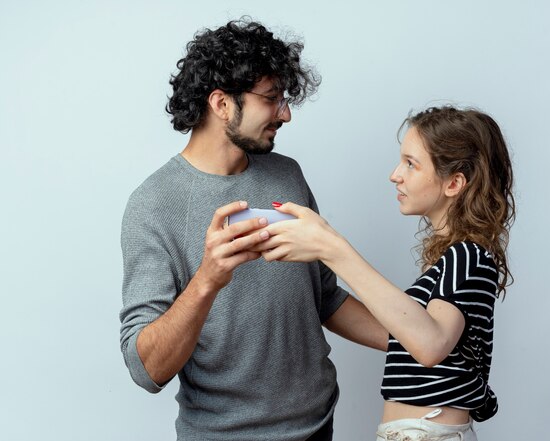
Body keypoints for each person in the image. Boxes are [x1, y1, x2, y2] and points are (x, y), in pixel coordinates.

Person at [119, 19, 387, 441]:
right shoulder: (153, 205)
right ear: (221, 103)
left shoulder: (287, 175)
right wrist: (208, 280)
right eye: (272, 99)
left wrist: (415, 340)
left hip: (319, 424)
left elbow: (325, 298)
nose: (286, 114)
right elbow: (146, 369)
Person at [256, 106, 515, 440]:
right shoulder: (454, 261)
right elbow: (411, 334)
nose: (396, 174)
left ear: (454, 183)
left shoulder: (467, 255)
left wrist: (332, 248)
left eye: (411, 163)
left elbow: (431, 344)